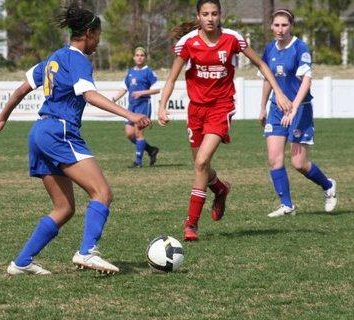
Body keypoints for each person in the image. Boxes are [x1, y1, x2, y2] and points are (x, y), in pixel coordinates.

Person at [0, 0, 151, 275]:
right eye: (97, 36)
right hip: (60, 132)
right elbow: (90, 95)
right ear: (88, 34)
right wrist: (130, 115)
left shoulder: (54, 58)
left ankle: (21, 262)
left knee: (64, 207)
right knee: (102, 192)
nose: (98, 42)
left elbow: (20, 90)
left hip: (39, 133)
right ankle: (87, 252)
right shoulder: (78, 60)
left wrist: (3, 117)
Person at [158, 0, 292, 241]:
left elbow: (261, 63)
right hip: (196, 111)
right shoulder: (188, 43)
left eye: (215, 13)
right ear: (198, 16)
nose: (210, 18)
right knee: (202, 167)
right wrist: (161, 106)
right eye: (205, 14)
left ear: (220, 15)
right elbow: (171, 78)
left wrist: (279, 93)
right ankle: (220, 188)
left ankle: (191, 225)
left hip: (221, 108)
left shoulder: (232, 39)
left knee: (200, 162)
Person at [258, 9, 337, 217]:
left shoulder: (300, 47)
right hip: (276, 109)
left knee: (298, 163)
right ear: (271, 26)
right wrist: (262, 107)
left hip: (299, 108)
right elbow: (268, 79)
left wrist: (293, 107)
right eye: (276, 25)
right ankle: (287, 205)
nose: (280, 29)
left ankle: (328, 186)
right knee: (274, 159)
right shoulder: (269, 49)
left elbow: (306, 81)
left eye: (284, 25)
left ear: (291, 26)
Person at [112, 47, 160, 168]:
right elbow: (124, 88)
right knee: (129, 133)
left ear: (145, 57)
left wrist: (141, 93)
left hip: (143, 105)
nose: (139, 57)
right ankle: (151, 150)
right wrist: (113, 100)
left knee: (138, 132)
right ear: (134, 57)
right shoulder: (130, 72)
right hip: (131, 106)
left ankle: (138, 162)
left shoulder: (149, 72)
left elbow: (157, 89)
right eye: (137, 55)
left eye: (142, 55)